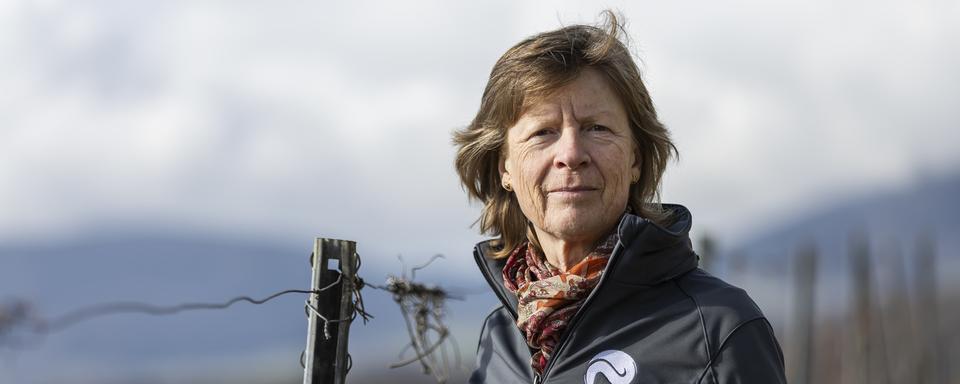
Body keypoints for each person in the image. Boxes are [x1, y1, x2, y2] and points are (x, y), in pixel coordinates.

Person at [452, 11, 787, 384]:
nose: (571, 153)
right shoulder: (499, 339)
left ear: (636, 159)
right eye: (543, 132)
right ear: (505, 168)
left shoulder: (719, 330)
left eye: (597, 128)